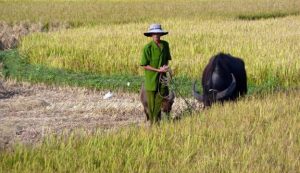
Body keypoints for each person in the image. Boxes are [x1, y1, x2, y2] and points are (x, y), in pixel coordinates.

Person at [140, 23, 172, 123]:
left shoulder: (165, 45)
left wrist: (166, 67)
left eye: (158, 34)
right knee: (151, 104)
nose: (156, 36)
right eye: (154, 34)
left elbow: (166, 59)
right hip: (151, 79)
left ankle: (160, 121)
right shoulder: (147, 48)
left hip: (162, 79)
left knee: (162, 100)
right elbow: (144, 65)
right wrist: (158, 70)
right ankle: (153, 124)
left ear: (161, 34)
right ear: (151, 35)